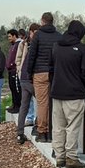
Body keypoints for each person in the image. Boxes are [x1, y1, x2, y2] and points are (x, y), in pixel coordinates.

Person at [51, 20, 85, 168]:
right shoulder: (83, 49)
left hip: (57, 92)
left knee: (58, 126)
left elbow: (51, 68)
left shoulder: (56, 47)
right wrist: (84, 86)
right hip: (75, 94)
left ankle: (60, 157)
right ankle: (71, 157)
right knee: (72, 126)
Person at [27, 12, 61, 143]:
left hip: (39, 72)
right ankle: (52, 130)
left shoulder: (38, 35)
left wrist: (29, 73)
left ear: (42, 21)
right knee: (53, 103)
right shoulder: (59, 36)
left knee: (42, 103)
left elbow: (32, 56)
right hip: (54, 73)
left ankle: (42, 132)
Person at [15, 24, 39, 144]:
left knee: (23, 106)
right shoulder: (31, 44)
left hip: (24, 78)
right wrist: (19, 69)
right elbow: (19, 59)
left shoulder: (27, 43)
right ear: (30, 32)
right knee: (43, 103)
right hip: (29, 78)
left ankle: (20, 133)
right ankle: (38, 127)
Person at [5, 29, 21, 115]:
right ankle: (14, 104)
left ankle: (18, 106)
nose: (9, 38)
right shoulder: (13, 45)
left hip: (15, 70)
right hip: (10, 70)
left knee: (16, 89)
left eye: (10, 36)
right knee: (12, 88)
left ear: (15, 36)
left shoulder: (18, 45)